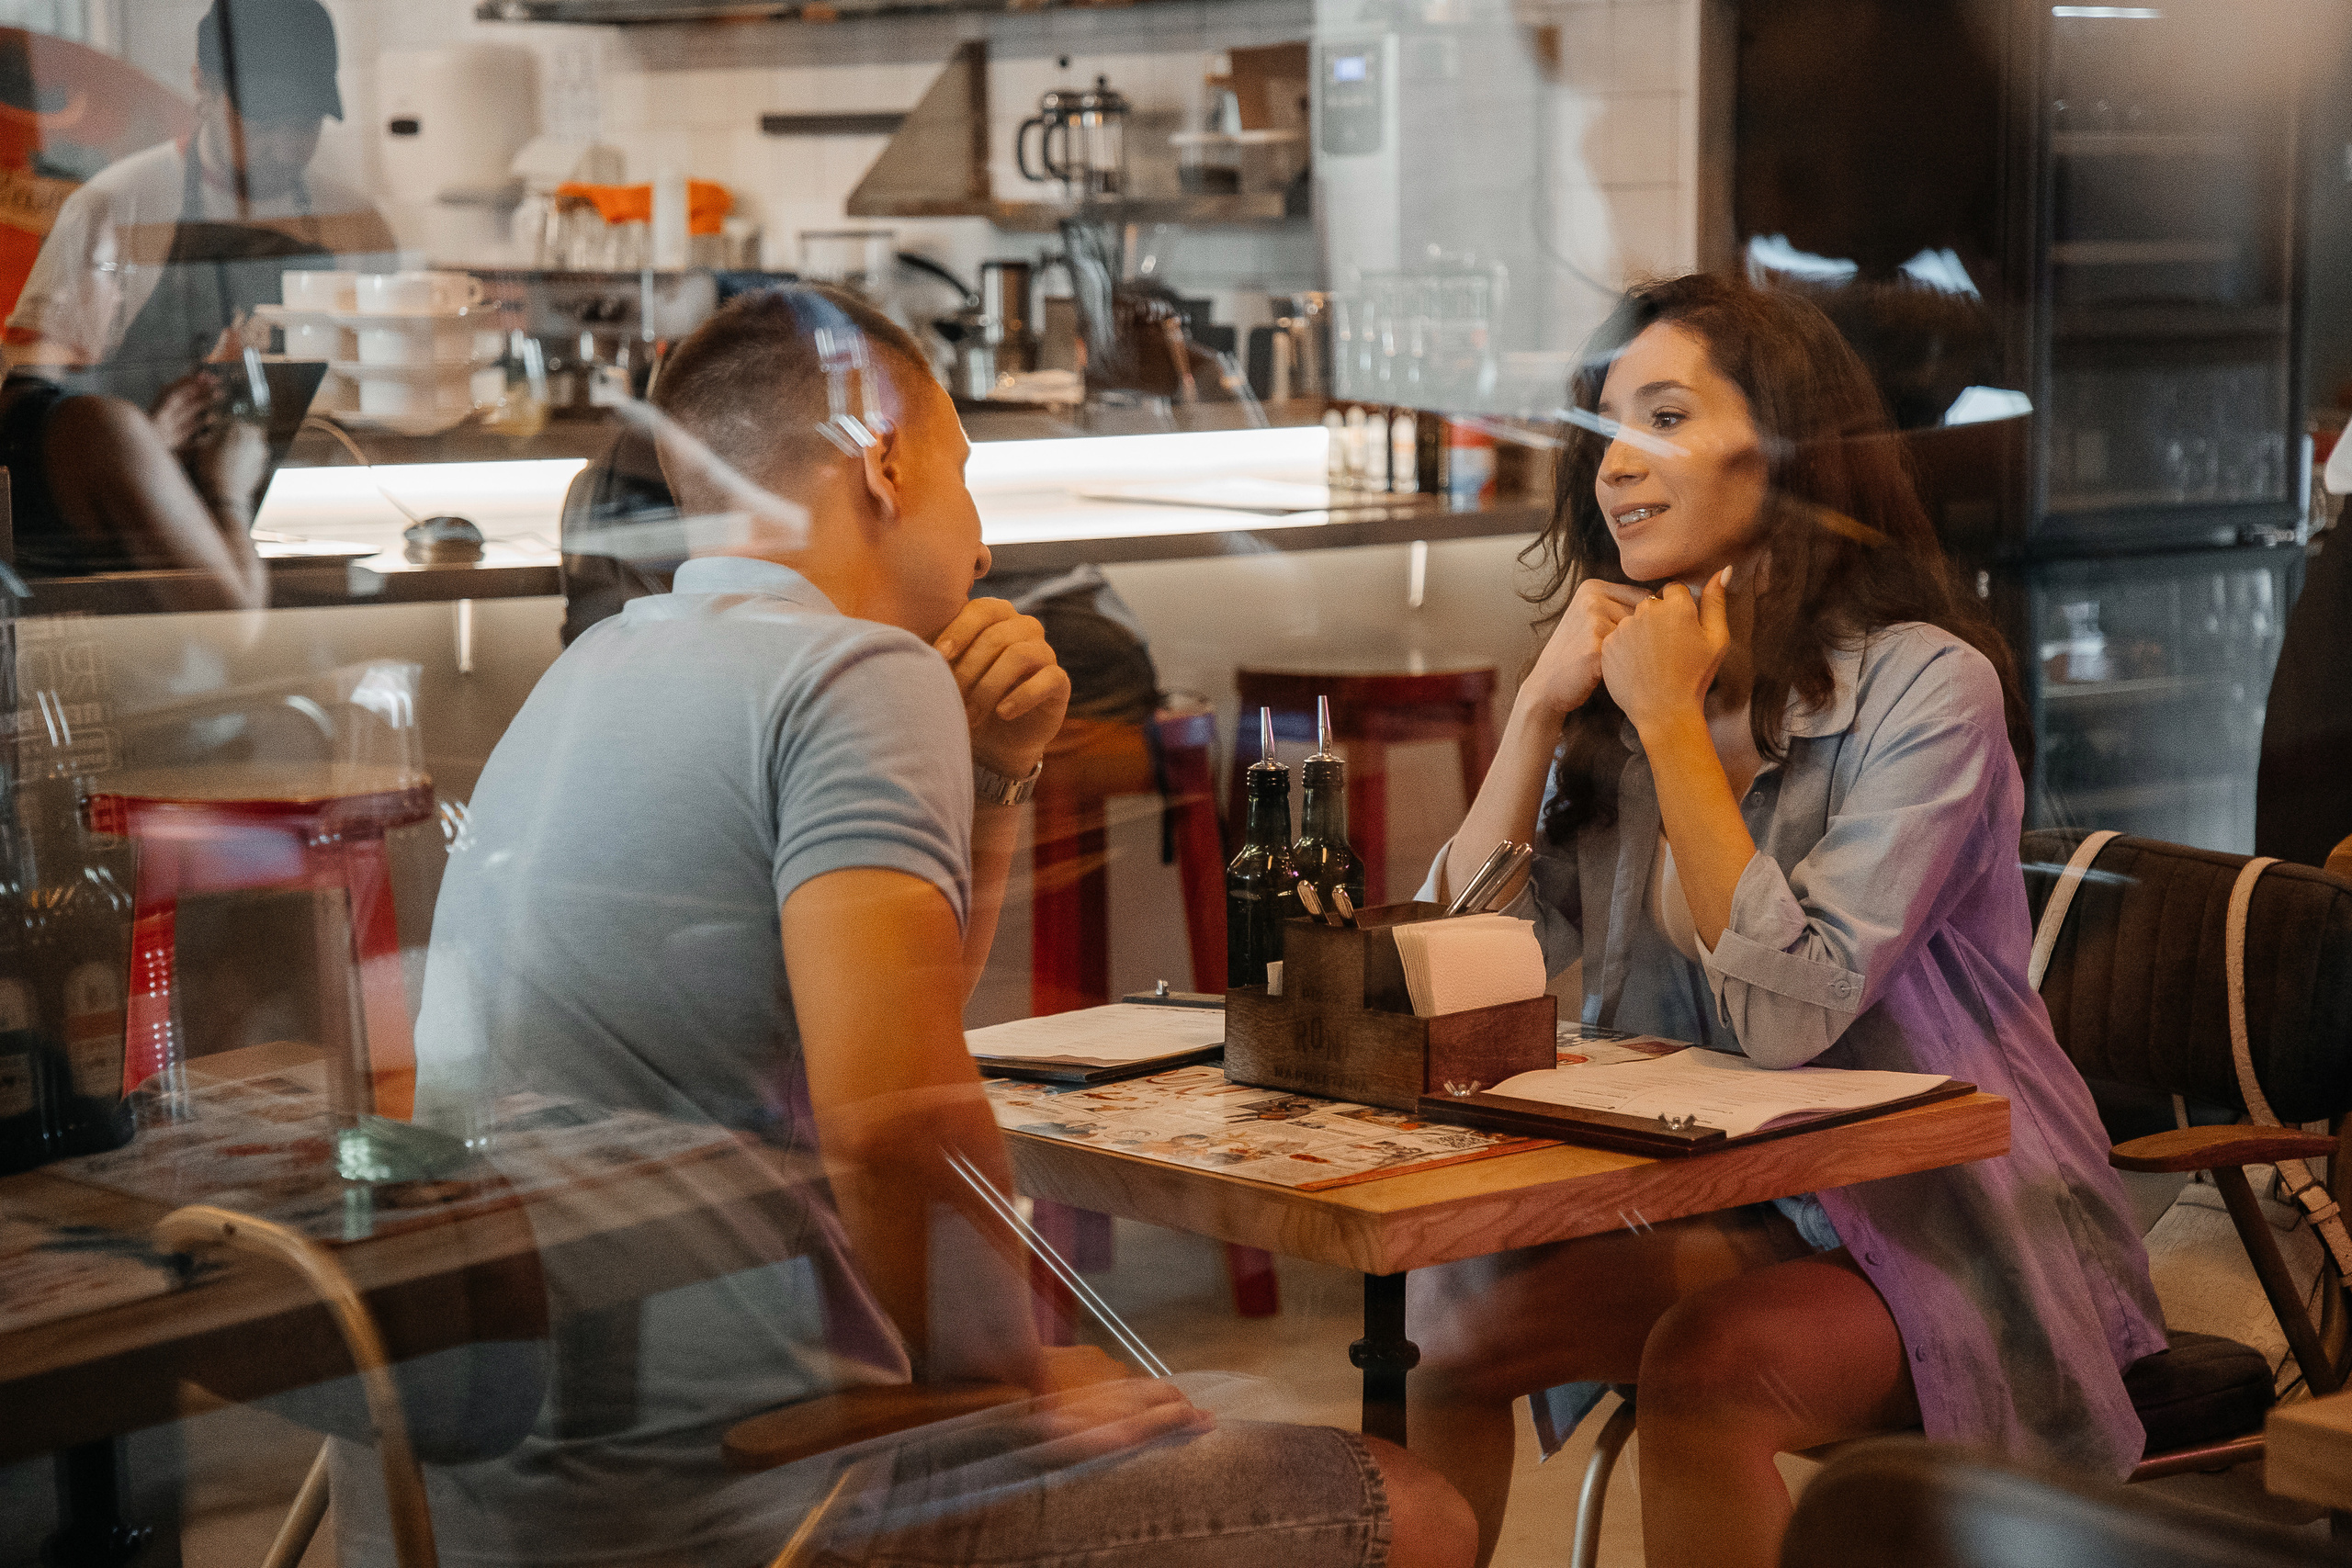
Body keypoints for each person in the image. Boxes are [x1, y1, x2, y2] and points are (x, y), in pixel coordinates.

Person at [337, 287, 1472, 1568]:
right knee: (1410, 1507)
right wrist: (1012, 1384)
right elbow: (892, 1126)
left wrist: (993, 776)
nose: (981, 548)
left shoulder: (591, 666)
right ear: (882, 460)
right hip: (726, 1500)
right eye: (963, 476)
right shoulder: (856, 672)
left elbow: (893, 1022)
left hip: (488, 1496)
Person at [1405, 274, 2165, 1568]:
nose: (1614, 466)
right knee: (1452, 1325)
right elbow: (1444, 982)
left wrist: (1670, 725)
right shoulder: (1627, 688)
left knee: (1714, 1368)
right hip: (1743, 1201)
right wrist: (1535, 713)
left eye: (1662, 418)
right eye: (1601, 428)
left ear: (1786, 449)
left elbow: (1786, 1015)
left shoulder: (1929, 689)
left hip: (1952, 1223)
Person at [3, 0, 394, 407]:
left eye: (304, 125)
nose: (285, 149)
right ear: (203, 85)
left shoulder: (356, 223)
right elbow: (34, 395)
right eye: (264, 125)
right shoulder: (112, 207)